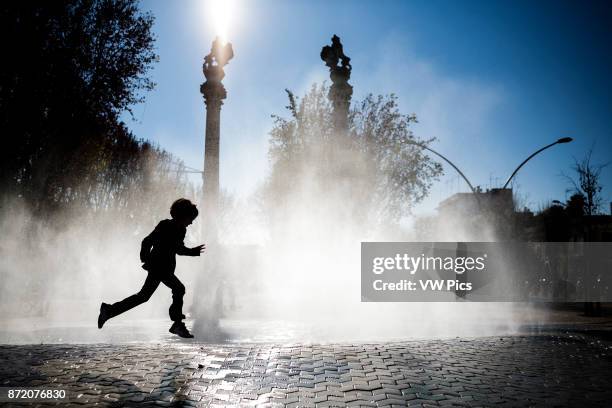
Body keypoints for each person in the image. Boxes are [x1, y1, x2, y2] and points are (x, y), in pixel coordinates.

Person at [97, 198, 205, 338]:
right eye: (191, 219)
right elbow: (147, 241)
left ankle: (109, 310)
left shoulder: (181, 230)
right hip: (159, 267)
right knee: (178, 288)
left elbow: (178, 249)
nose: (191, 223)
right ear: (182, 215)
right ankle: (177, 324)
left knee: (143, 296)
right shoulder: (165, 225)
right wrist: (146, 258)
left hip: (164, 267)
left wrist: (192, 252)